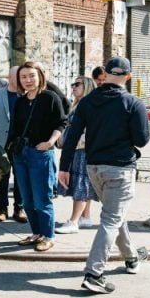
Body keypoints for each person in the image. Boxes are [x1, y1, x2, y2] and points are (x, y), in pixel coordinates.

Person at [59, 56, 150, 294]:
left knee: (114, 213)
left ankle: (131, 258)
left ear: (106, 74)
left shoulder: (88, 102)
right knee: (111, 218)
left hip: (94, 168)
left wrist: (64, 167)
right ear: (128, 77)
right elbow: (142, 140)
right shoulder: (133, 103)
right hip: (120, 168)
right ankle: (94, 273)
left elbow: (71, 136)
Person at [6, 61, 67, 253]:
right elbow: (14, 128)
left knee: (42, 199)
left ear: (40, 76)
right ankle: (36, 233)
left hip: (40, 154)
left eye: (32, 75)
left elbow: (62, 122)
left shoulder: (50, 97)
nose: (28, 80)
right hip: (21, 154)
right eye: (23, 77)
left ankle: (48, 235)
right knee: (27, 198)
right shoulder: (20, 102)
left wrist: (50, 142)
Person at [55, 76, 98, 234]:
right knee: (83, 184)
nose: (73, 87)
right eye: (72, 84)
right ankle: (85, 217)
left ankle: (73, 221)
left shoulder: (89, 107)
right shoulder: (79, 105)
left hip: (82, 151)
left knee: (81, 185)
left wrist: (71, 141)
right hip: (77, 151)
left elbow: (88, 132)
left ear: (86, 86)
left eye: (77, 84)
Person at [0, 65, 27, 223]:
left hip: (20, 144)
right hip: (1, 143)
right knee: (2, 177)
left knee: (20, 177)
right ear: (10, 77)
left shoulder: (27, 96)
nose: (20, 80)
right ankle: (2, 208)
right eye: (17, 76)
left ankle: (19, 208)